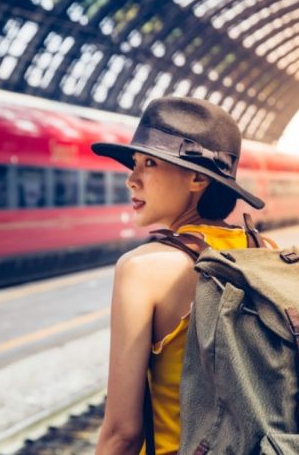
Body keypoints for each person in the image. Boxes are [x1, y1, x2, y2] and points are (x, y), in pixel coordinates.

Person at [91, 97, 265, 454]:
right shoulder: (266, 249)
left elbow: (122, 433)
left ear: (198, 178)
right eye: (134, 163)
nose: (131, 180)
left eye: (150, 163)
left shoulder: (143, 269)